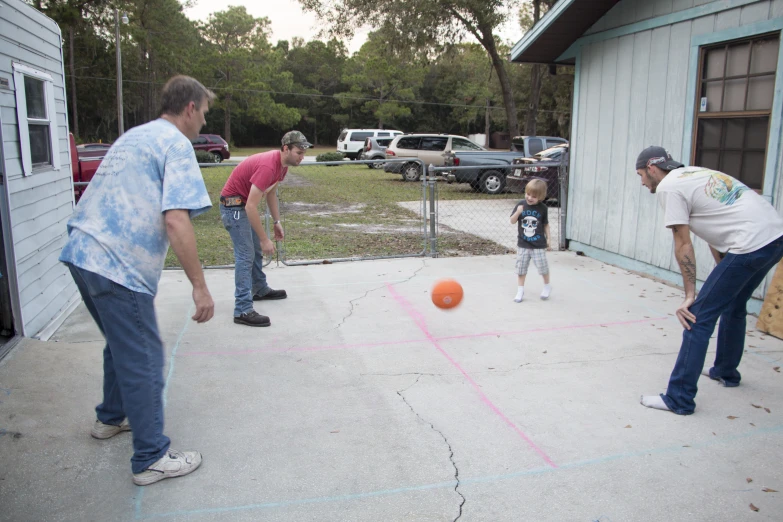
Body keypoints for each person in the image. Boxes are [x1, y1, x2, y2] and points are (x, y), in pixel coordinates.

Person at [59, 76, 216, 485]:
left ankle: (110, 419)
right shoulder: (176, 144)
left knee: (121, 343)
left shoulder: (136, 135)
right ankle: (150, 457)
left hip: (82, 253)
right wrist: (200, 286)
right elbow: (176, 219)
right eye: (204, 112)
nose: (203, 121)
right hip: (117, 264)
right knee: (144, 356)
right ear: (190, 108)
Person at [635, 146, 783, 415]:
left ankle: (679, 398)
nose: (642, 182)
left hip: (750, 243)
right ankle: (726, 372)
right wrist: (724, 272)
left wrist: (690, 295)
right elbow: (717, 232)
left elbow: (683, 243)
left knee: (697, 316)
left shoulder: (669, 188)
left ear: (652, 168)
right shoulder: (693, 174)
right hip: (774, 238)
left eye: (641, 175)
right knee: (734, 304)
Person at [219, 131, 310, 327]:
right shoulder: (269, 166)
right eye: (299, 152)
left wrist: (277, 222)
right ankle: (242, 309)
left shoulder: (282, 166)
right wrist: (264, 238)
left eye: (303, 153)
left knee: (253, 251)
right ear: (286, 149)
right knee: (245, 254)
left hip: (241, 205)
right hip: (233, 206)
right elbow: (250, 206)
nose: (302, 157)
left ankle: (259, 288)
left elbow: (270, 193)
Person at [510, 179, 552, 302]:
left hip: (538, 244)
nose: (530, 198)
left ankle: (547, 286)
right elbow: (512, 221)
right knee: (521, 268)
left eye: (534, 196)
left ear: (541, 197)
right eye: (528, 194)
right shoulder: (520, 205)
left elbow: (545, 224)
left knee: (543, 267)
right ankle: (520, 290)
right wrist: (518, 212)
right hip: (523, 244)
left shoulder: (543, 208)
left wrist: (549, 238)